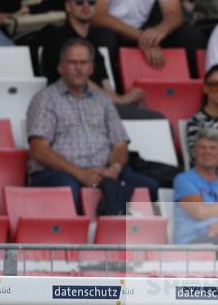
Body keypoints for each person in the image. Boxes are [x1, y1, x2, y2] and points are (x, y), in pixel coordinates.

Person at [27, 38, 160, 214]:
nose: (79, 68)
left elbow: (120, 144)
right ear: (60, 67)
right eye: (72, 62)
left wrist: (114, 168)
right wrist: (80, 173)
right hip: (60, 173)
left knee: (149, 187)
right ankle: (80, 238)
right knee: (69, 188)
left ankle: (124, 235)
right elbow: (39, 150)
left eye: (83, 63)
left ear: (91, 68)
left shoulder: (103, 100)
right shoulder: (45, 99)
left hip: (104, 172)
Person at [40, 0, 163, 119]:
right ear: (68, 6)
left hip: (98, 107)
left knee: (150, 116)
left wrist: (128, 102)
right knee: (156, 119)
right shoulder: (58, 37)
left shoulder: (93, 44)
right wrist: (121, 100)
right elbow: (77, 81)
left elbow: (106, 85)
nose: (86, 6)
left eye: (91, 1)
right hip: (69, 108)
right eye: (79, 1)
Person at [91, 0, 208, 76]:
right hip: (113, 30)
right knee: (104, 37)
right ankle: (112, 94)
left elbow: (174, 13)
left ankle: (197, 94)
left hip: (142, 30)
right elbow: (98, 15)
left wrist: (161, 30)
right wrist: (143, 37)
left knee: (192, 37)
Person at [0, 0, 66, 42]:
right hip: (14, 32)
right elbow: (3, 7)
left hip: (47, 28)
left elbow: (59, 2)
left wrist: (29, 9)